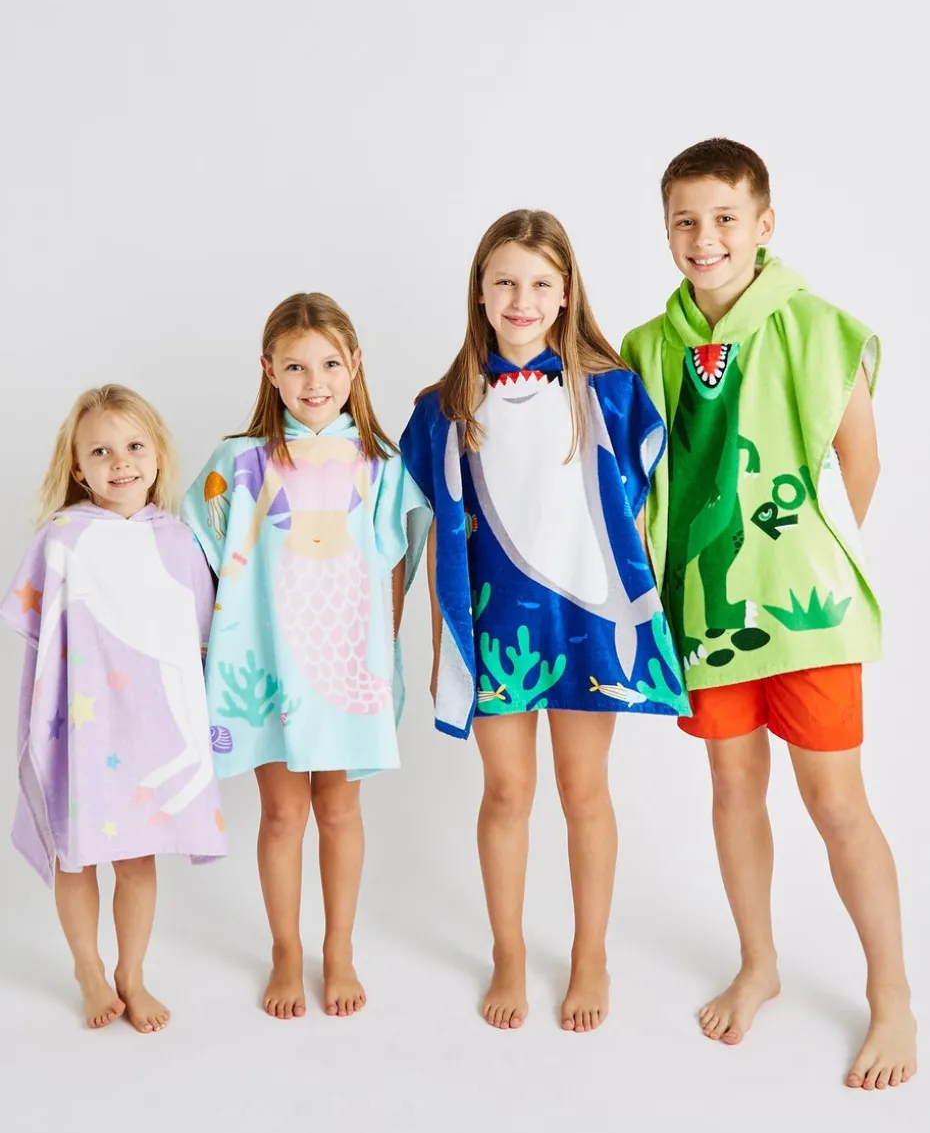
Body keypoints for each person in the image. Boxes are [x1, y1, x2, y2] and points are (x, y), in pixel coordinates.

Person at [621, 137, 916, 1090]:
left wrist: (801, 555)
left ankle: (892, 995)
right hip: (704, 614)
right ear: (667, 230)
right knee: (733, 784)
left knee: (836, 800)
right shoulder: (647, 346)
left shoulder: (819, 327)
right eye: (685, 220)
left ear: (764, 223)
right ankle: (760, 962)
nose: (704, 237)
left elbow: (862, 460)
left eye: (724, 217)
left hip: (804, 613)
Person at [401, 209, 688, 1032]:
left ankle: (591, 952)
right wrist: (443, 644)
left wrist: (645, 618)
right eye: (504, 282)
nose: (520, 299)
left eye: (538, 283)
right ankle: (509, 951)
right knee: (506, 790)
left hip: (587, 620)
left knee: (583, 788)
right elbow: (436, 538)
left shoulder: (612, 394)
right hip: (495, 630)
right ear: (479, 293)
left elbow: (638, 517)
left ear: (566, 294)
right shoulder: (443, 408)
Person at [184, 293, 428, 1020]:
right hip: (268, 668)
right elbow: (198, 555)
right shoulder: (240, 461)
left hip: (349, 668)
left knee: (340, 810)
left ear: (355, 364)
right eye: (295, 367)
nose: (314, 382)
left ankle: (339, 949)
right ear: (269, 370)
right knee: (283, 814)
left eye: (328, 364)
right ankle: (286, 949)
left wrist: (382, 659)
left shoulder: (380, 465)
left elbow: (395, 564)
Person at [0, 385, 226, 1032]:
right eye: (100, 451)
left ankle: (132, 972)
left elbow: (200, 638)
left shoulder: (179, 541)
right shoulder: (63, 539)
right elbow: (42, 637)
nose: (120, 461)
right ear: (78, 468)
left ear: (157, 456)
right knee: (74, 853)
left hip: (151, 731)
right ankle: (88, 968)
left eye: (133, 446)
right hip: (81, 724)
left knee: (136, 855)